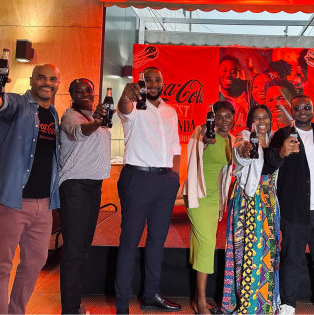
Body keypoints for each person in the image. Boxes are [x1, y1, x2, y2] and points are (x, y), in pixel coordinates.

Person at [0, 63, 61, 314]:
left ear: (58, 84)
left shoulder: (53, 114)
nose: (47, 83)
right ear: (32, 80)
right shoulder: (18, 104)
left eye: (53, 79)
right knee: (1, 266)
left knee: (35, 261)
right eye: (41, 78)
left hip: (43, 205)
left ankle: (16, 311)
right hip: (10, 201)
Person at [115, 66, 182, 314]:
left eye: (157, 80)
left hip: (165, 182)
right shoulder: (133, 107)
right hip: (138, 179)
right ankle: (122, 305)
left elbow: (175, 147)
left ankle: (150, 295)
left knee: (157, 241)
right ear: (140, 83)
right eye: (148, 80)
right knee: (129, 242)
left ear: (163, 83)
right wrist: (126, 94)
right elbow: (123, 108)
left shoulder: (170, 111)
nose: (153, 84)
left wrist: (175, 178)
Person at [267, 95, 314, 315]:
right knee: (291, 259)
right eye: (297, 108)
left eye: (307, 107)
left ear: (313, 109)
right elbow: (270, 163)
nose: (303, 111)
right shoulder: (282, 135)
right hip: (295, 211)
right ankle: (288, 303)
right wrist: (281, 152)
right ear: (292, 111)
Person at [221, 105, 282, 314]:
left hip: (270, 202)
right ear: (250, 122)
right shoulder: (244, 137)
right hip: (248, 201)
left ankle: (266, 305)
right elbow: (240, 151)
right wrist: (245, 150)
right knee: (247, 252)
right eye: (257, 118)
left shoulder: (275, 138)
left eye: (265, 117)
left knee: (269, 252)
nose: (262, 121)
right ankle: (248, 306)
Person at [58, 78, 111, 314]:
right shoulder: (70, 116)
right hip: (75, 187)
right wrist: (96, 122)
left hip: (92, 186)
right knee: (73, 250)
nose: (84, 94)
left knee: (83, 248)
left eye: (88, 90)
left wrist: (98, 119)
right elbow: (80, 133)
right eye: (78, 91)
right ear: (71, 94)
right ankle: (69, 309)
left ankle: (75, 304)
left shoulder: (96, 116)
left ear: (94, 91)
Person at [182, 101, 236, 314]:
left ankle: (197, 299)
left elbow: (224, 171)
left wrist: (222, 199)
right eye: (219, 117)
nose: (223, 121)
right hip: (198, 194)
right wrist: (205, 138)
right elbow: (197, 148)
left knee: (200, 243)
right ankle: (202, 303)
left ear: (233, 118)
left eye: (227, 116)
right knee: (207, 244)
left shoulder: (231, 140)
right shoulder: (203, 132)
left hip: (214, 198)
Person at [218, 55, 251, 132]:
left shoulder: (249, 90)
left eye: (233, 71)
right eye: (224, 70)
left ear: (239, 73)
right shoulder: (215, 94)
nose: (228, 75)